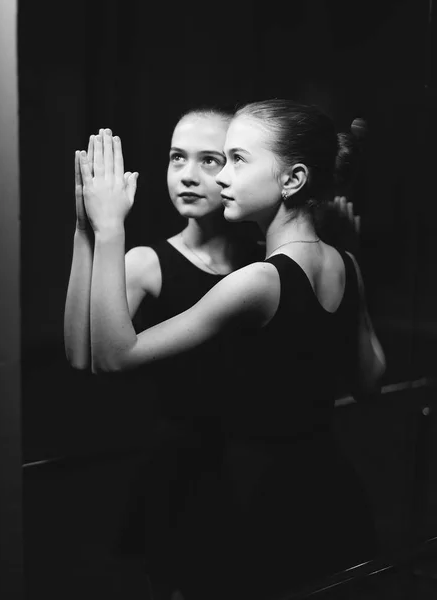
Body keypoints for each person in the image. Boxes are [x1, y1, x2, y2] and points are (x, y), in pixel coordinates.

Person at [74, 98, 386, 599]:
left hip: (253, 497)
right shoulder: (346, 263)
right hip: (327, 488)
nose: (222, 177)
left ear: (293, 179)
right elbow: (369, 380)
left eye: (237, 160)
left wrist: (109, 229)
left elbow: (113, 356)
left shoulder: (258, 280)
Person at [64, 106, 263, 599]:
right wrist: (86, 229)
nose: (188, 176)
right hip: (182, 472)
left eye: (210, 160)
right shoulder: (146, 262)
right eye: (177, 158)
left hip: (255, 465)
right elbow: (79, 355)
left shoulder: (265, 263)